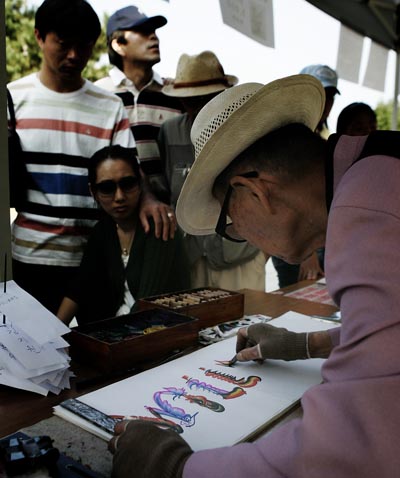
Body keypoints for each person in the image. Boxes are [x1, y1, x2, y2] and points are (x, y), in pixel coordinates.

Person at [109, 76, 400, 477]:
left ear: (254, 191)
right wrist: (309, 343)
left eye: (229, 222)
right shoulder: (376, 173)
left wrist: (172, 466)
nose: (240, 234)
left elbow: (352, 446)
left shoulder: (366, 212)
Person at [7, 0, 174, 315]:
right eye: (63, 44)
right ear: (39, 36)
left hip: (95, 258)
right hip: (30, 257)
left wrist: (149, 197)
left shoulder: (108, 105)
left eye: (82, 46)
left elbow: (129, 169)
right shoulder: (13, 99)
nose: (73, 55)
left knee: (98, 353)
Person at [159, 50, 266, 291]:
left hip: (241, 256)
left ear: (221, 95)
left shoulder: (248, 129)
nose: (195, 107)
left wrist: (264, 251)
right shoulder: (169, 132)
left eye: (203, 98)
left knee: (248, 325)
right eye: (188, 100)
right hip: (192, 258)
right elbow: (167, 191)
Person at [57, 146, 190, 325]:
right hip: (120, 333)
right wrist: (53, 334)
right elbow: (79, 288)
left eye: (127, 184)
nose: (119, 196)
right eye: (107, 188)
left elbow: (147, 304)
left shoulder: (158, 226)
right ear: (93, 192)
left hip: (156, 333)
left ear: (140, 184)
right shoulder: (104, 231)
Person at [95, 5, 184, 202]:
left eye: (154, 31)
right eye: (143, 32)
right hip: (116, 212)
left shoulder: (175, 94)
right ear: (118, 44)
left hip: (169, 214)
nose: (154, 37)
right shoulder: (99, 94)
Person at [271, 64, 340, 288]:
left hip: (320, 240)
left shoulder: (324, 138)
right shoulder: (288, 136)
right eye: (321, 94)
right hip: (295, 243)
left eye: (330, 96)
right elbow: (282, 194)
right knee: (294, 307)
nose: (326, 103)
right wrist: (307, 252)